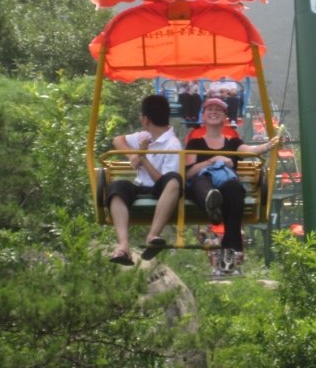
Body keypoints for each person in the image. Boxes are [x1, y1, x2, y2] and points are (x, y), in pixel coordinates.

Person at [185, 97, 279, 274]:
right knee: (201, 182)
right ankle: (210, 200)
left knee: (234, 191)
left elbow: (250, 151)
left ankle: (228, 258)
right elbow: (188, 172)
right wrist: (212, 160)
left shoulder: (233, 143)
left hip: (226, 188)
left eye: (218, 110)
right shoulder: (195, 143)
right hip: (201, 184)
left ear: (225, 118)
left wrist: (268, 145)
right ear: (203, 116)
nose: (213, 112)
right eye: (209, 109)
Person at [107, 94, 182, 265]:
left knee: (174, 180)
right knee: (117, 187)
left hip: (160, 189)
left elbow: (163, 180)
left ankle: (153, 234)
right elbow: (117, 140)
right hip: (140, 186)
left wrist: (143, 157)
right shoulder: (144, 136)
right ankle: (124, 246)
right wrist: (132, 154)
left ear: (145, 119)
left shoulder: (172, 144)